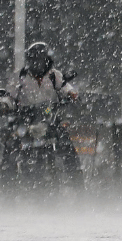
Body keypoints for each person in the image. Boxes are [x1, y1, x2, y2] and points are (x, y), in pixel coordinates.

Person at [6, 42, 83, 187]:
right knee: (11, 144)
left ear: (46, 60)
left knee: (66, 143)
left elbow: (65, 86)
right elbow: (10, 95)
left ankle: (77, 184)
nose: (37, 63)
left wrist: (72, 94)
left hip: (49, 112)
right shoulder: (20, 76)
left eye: (40, 59)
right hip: (26, 116)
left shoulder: (54, 75)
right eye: (33, 59)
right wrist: (6, 105)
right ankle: (7, 185)